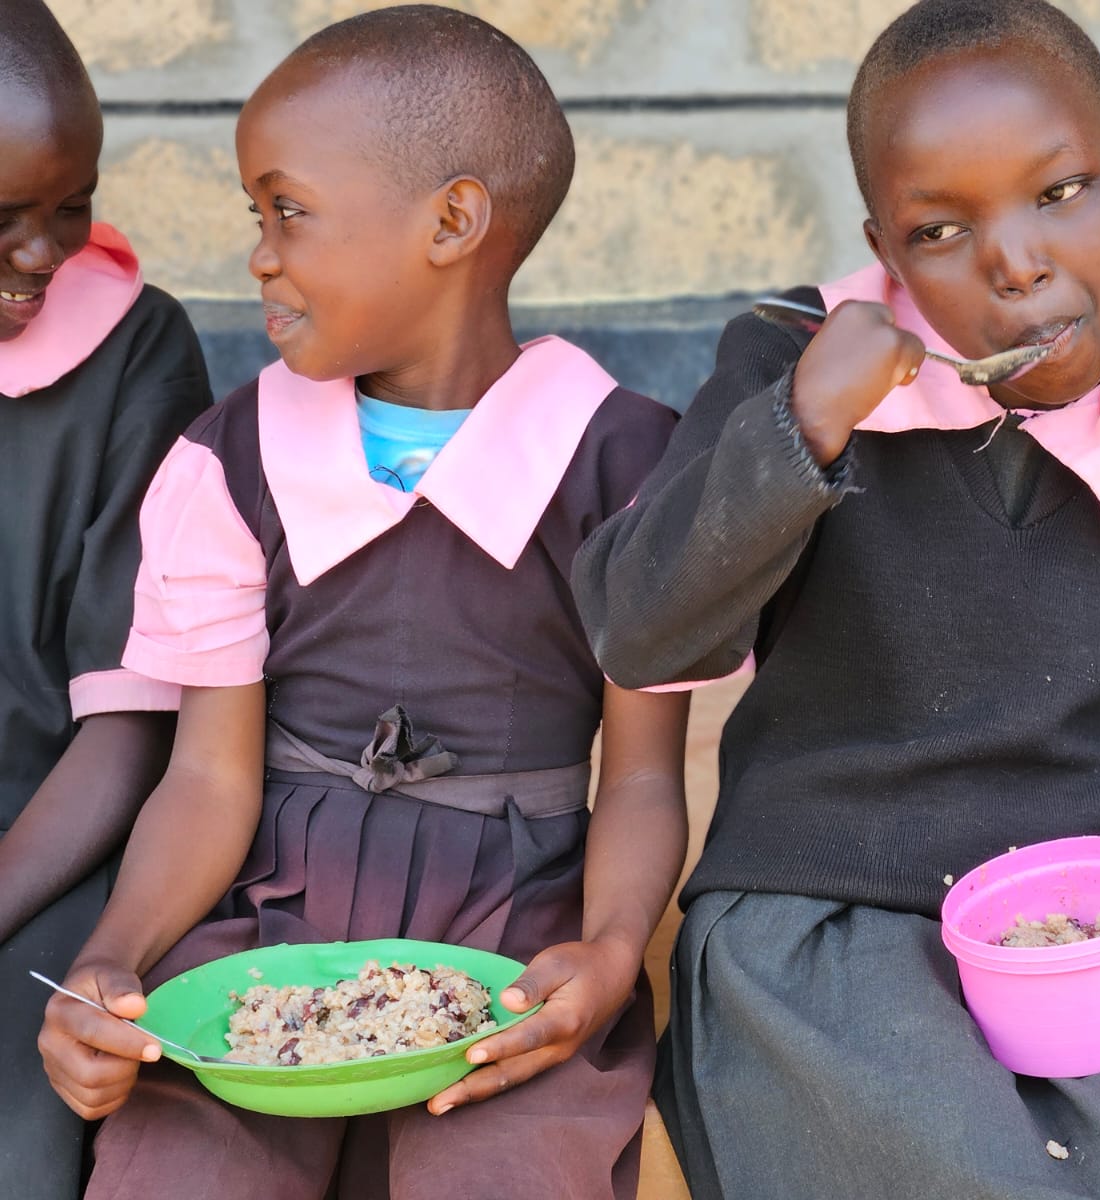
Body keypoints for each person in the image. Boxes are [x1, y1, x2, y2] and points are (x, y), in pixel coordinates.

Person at [573, 2, 1100, 1196]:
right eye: (940, 230)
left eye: (1060, 193)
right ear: (886, 250)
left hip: (1083, 937)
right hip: (821, 918)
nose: (1015, 262)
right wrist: (806, 424)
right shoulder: (792, 365)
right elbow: (640, 628)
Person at [36, 8, 689, 1199]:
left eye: (287, 212)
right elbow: (209, 776)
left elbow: (642, 778)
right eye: (257, 216)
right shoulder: (230, 460)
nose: (259, 256)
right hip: (261, 935)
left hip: (515, 938)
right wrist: (113, 960)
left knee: (506, 1173)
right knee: (179, 1172)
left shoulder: (627, 470)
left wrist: (605, 953)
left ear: (451, 222)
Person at [0, 3, 211, 1196]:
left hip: (50, 846)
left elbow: (130, 725)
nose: (43, 254)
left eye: (71, 205)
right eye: (2, 217)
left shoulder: (136, 352)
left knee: (23, 1117)